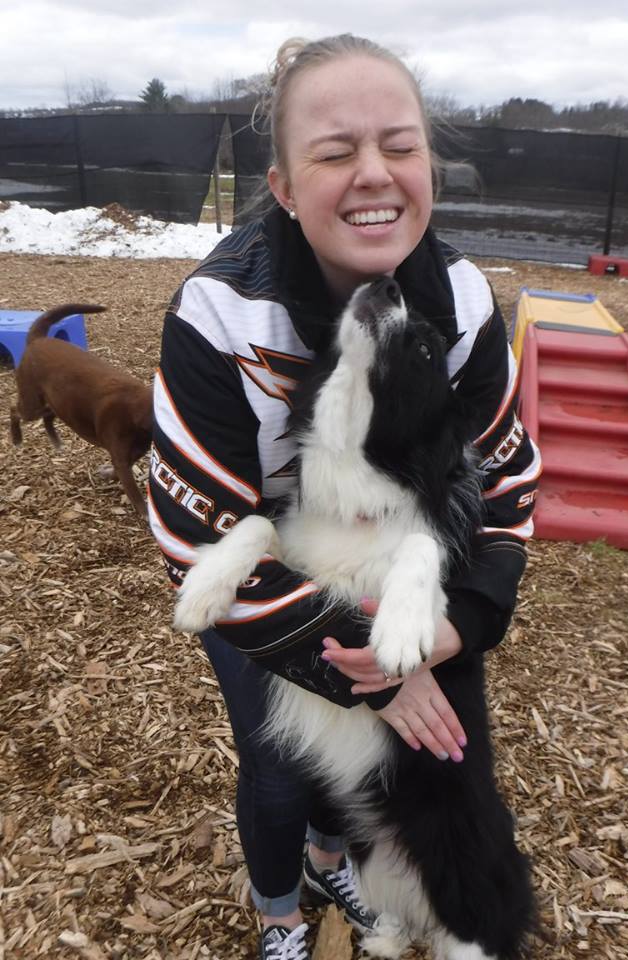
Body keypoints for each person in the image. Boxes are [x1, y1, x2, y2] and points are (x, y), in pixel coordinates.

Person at [149, 33, 540, 960]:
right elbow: (188, 525)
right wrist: (361, 672)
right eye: (335, 152)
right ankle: (280, 909)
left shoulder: (462, 301)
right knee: (283, 772)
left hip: (401, 578)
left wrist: (458, 627)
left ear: (429, 164)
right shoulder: (219, 313)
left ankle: (339, 862)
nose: (375, 175)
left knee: (380, 780)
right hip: (268, 581)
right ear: (283, 185)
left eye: (400, 146)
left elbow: (507, 489)